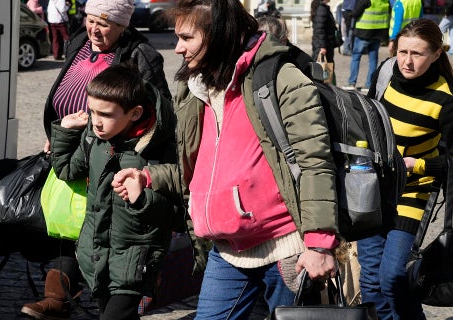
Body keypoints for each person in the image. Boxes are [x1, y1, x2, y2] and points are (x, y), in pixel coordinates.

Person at [113, 0, 339, 318]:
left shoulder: (280, 79)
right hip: (228, 249)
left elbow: (316, 162)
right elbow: (201, 172)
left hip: (287, 248)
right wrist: (148, 177)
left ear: (219, 34)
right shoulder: (195, 89)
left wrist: (318, 244)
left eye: (187, 38)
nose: (177, 48)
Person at [21, 0, 171, 318]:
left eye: (103, 23)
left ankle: (70, 296)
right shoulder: (79, 41)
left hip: (118, 156)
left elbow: (159, 113)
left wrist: (134, 154)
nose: (94, 29)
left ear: (122, 25)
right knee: (73, 221)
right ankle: (59, 295)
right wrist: (63, 131)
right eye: (90, 20)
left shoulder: (141, 55)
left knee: (101, 222)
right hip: (79, 144)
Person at [49, 62, 178, 320]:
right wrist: (64, 130)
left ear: (134, 113)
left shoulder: (158, 148)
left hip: (135, 260)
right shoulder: (94, 139)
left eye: (106, 115)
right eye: (92, 111)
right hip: (96, 256)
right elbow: (66, 170)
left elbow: (178, 213)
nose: (96, 122)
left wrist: (143, 197)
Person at [362, 18, 453, 320]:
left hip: (413, 193)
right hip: (373, 188)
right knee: (370, 284)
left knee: (392, 279)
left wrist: (419, 164)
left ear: (437, 54)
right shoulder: (386, 73)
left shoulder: (446, 97)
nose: (407, 62)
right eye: (403, 52)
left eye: (418, 54)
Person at [346, 0, 390, 90]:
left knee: (356, 58)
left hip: (363, 33)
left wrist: (349, 13)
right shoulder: (386, 1)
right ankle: (369, 84)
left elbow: (355, 13)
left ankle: (351, 83)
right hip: (378, 34)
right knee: (373, 60)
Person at [311, 0, 340, 84]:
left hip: (326, 44)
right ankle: (324, 87)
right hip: (323, 45)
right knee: (322, 68)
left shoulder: (323, 8)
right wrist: (322, 46)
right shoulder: (322, 9)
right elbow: (319, 29)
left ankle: (329, 86)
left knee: (326, 67)